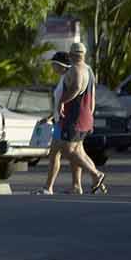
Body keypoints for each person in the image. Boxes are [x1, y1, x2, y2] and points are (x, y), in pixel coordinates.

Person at [41, 43, 108, 195]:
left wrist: (62, 103)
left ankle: (96, 175)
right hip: (79, 117)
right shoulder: (88, 70)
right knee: (77, 151)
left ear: (72, 55)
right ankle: (82, 185)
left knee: (69, 150)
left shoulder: (76, 70)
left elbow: (76, 87)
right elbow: (91, 96)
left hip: (73, 117)